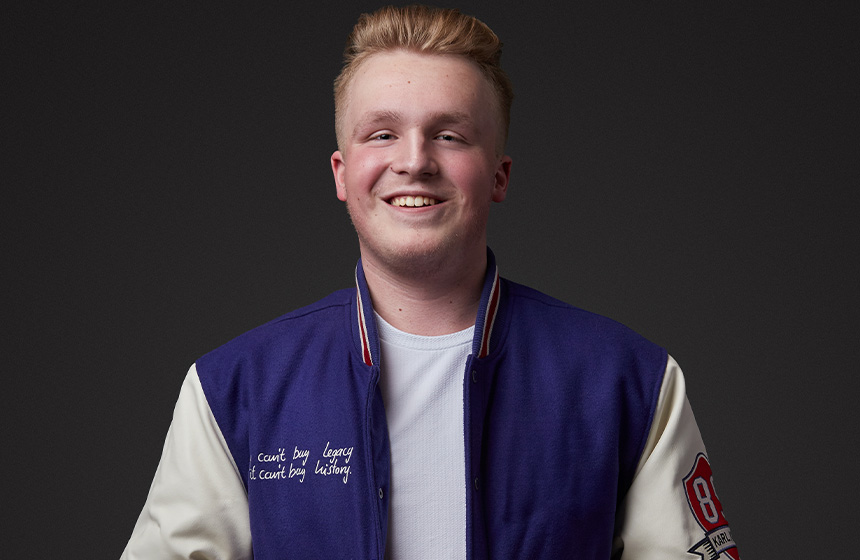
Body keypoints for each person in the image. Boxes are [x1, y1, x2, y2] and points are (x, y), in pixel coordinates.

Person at [122, 5, 740, 559]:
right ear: (342, 173)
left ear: (498, 176)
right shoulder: (235, 389)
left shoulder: (627, 381)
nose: (414, 161)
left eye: (449, 136)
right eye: (382, 134)